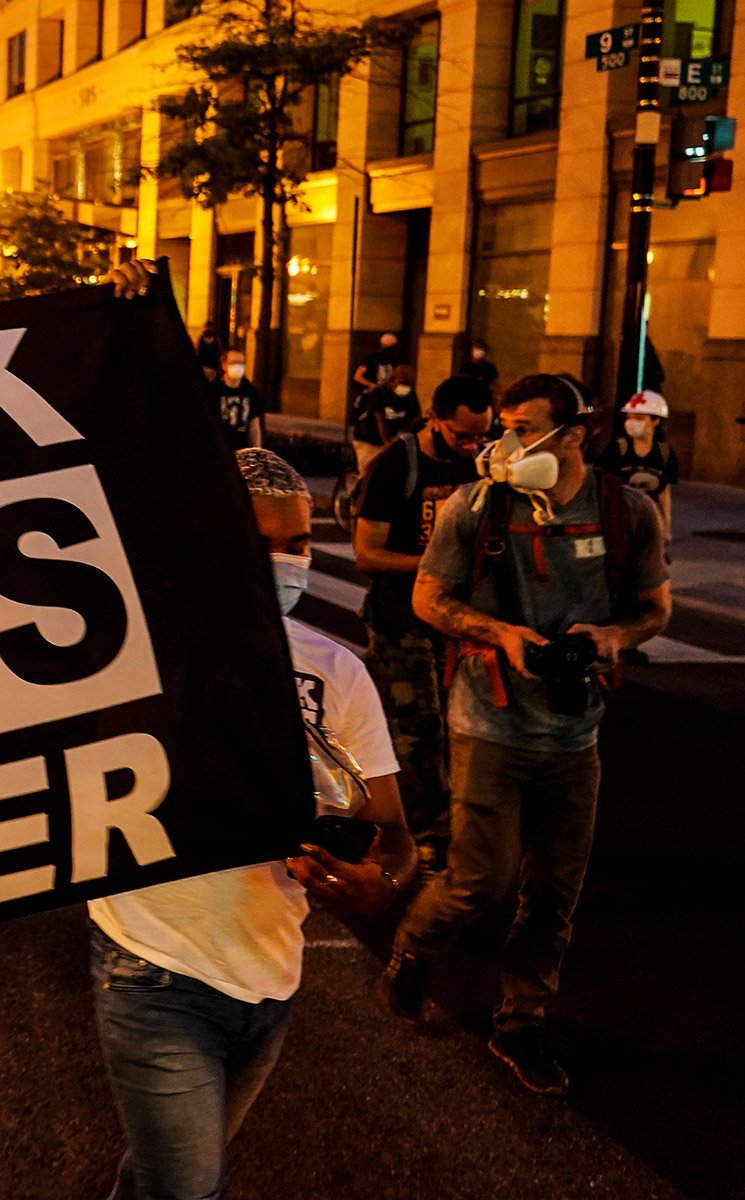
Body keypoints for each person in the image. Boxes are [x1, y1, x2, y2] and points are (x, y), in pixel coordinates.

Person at [88, 449, 413, 1200]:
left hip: (269, 974)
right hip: (151, 965)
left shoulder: (336, 673)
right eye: (256, 542)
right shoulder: (129, 653)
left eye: (296, 544)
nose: (283, 561)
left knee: (158, 1174)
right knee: (189, 1187)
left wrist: (379, 883)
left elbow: (393, 831)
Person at [386, 373, 671, 1095]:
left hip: (575, 736)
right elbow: (428, 595)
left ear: (573, 435)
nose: (503, 444)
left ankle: (520, 1023)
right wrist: (500, 634)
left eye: (522, 428)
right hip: (486, 721)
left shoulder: (625, 511)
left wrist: (611, 635)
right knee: (478, 881)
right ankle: (413, 950)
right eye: (501, 427)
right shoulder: (475, 505)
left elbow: (653, 607)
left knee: (553, 892)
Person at [351, 375, 495, 867]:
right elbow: (367, 554)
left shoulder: (480, 463)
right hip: (401, 619)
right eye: (462, 436)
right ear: (434, 419)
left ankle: (458, 828)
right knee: (417, 731)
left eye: (482, 435)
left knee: (463, 728)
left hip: (457, 619)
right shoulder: (396, 465)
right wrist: (437, 565)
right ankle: (424, 837)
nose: (473, 446)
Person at [594, 390, 677, 539]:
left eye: (639, 418)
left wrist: (665, 527)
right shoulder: (616, 450)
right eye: (629, 417)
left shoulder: (665, 453)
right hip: (620, 523)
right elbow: (600, 484)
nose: (632, 422)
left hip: (649, 524)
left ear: (655, 421)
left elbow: (664, 492)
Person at [350, 364, 418, 475]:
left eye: (409, 384)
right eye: (403, 383)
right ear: (393, 380)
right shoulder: (379, 393)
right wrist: (387, 443)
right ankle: (359, 491)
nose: (405, 387)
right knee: (368, 474)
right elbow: (380, 420)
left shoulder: (410, 395)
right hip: (368, 440)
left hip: (390, 439)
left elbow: (415, 418)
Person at [214, 349, 263, 449]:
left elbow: (254, 425)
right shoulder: (214, 390)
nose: (238, 366)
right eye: (234, 363)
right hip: (220, 450)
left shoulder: (250, 392)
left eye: (241, 363)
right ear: (224, 365)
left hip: (242, 449)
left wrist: (257, 449)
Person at [352, 331, 402, 399]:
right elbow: (357, 377)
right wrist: (373, 385)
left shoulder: (393, 361)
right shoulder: (372, 359)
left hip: (386, 394)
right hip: (372, 394)